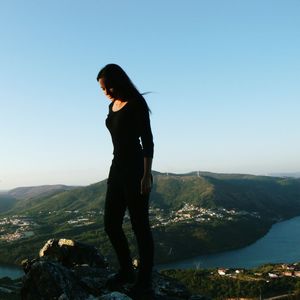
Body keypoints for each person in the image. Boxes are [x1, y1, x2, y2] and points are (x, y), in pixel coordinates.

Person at [97, 64, 154, 298]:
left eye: (108, 86)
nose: (106, 91)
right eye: (102, 89)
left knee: (140, 228)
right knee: (111, 224)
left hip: (135, 171)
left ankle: (144, 283)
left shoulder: (136, 104)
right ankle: (126, 270)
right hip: (116, 169)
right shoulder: (112, 106)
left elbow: (148, 141)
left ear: (119, 81)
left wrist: (146, 174)